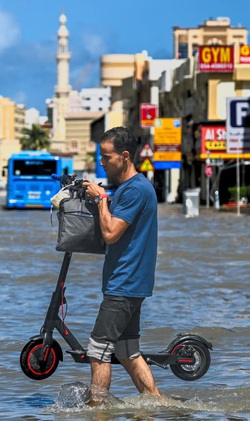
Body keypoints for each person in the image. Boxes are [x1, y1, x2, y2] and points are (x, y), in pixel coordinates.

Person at [82, 126, 160, 405]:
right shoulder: (130, 189)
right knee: (126, 350)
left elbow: (111, 233)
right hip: (130, 283)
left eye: (106, 157)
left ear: (125, 156)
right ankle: (156, 403)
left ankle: (97, 410)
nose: (101, 162)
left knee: (98, 349)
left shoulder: (135, 190)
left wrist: (102, 199)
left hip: (124, 283)